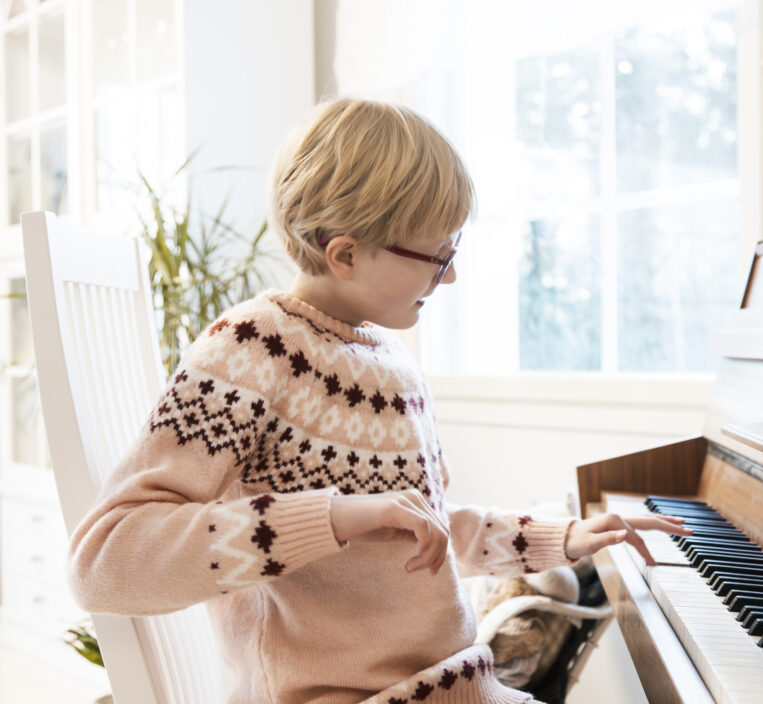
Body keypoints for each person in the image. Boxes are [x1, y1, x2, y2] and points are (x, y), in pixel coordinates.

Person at [67, 98, 689, 704]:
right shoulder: (251, 350)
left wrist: (564, 538)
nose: (450, 276)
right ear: (345, 254)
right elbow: (104, 560)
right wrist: (330, 517)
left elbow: (423, 537)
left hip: (454, 685)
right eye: (437, 255)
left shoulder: (394, 364)